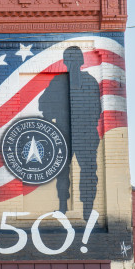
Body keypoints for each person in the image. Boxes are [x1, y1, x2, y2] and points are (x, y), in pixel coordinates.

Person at [37, 46, 100, 219]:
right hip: (63, 132)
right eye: (69, 60)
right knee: (62, 170)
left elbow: (97, 110)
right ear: (65, 62)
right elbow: (42, 104)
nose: (72, 64)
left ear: (81, 61)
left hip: (86, 134)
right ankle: (63, 206)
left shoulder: (90, 81)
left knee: (88, 170)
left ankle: (88, 209)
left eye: (75, 60)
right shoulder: (58, 81)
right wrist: (54, 116)